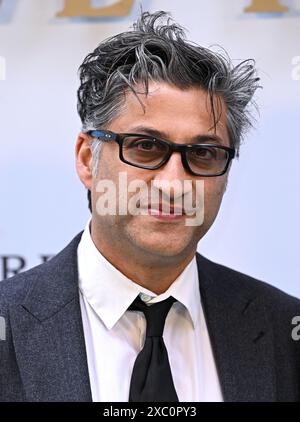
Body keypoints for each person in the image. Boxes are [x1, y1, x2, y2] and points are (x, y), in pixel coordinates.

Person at [0, 10, 300, 403]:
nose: (174, 184)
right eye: (145, 147)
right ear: (88, 159)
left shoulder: (285, 331)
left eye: (204, 153)